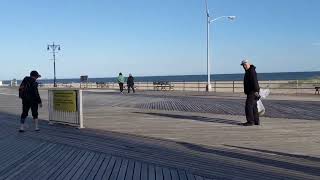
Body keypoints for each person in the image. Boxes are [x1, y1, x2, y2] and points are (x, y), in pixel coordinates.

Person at [240, 59, 260, 126]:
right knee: (254, 106)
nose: (244, 66)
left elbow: (255, 82)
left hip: (252, 91)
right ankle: (256, 121)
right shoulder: (249, 70)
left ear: (249, 64)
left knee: (248, 106)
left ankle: (250, 121)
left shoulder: (251, 71)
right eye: (243, 65)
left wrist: (256, 91)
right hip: (252, 91)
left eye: (245, 65)